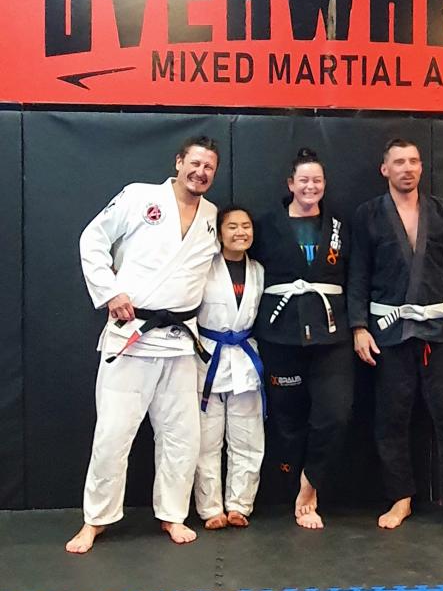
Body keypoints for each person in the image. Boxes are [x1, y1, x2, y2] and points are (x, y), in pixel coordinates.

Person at [66, 136, 220, 553]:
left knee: (182, 437)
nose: (200, 172)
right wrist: (109, 291)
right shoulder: (139, 196)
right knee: (113, 435)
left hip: (180, 342)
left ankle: (172, 514)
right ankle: (95, 520)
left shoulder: (211, 216)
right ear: (179, 162)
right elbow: (92, 239)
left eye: (209, 167)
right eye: (195, 163)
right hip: (132, 336)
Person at [348, 138, 443, 539]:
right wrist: (359, 326)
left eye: (414, 161)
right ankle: (400, 497)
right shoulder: (368, 214)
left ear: (421, 167)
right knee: (391, 419)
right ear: (385, 169)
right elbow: (358, 272)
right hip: (389, 332)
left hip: (439, 330)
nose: (407, 168)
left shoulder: (441, 211)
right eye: (399, 162)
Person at [252, 147, 353, 529]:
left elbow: (355, 276)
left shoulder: (340, 226)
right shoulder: (265, 225)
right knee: (287, 419)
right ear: (291, 184)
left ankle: (311, 485)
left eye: (317, 180)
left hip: (332, 335)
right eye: (304, 180)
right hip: (281, 335)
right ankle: (290, 483)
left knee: (335, 415)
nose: (311, 186)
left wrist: (359, 326)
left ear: (325, 184)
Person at [193, 206, 265, 529]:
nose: (240, 232)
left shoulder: (259, 271)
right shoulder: (203, 267)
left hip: (245, 359)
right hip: (208, 356)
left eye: (246, 226)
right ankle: (210, 508)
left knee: (248, 438)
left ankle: (239, 505)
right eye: (232, 226)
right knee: (206, 440)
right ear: (219, 232)